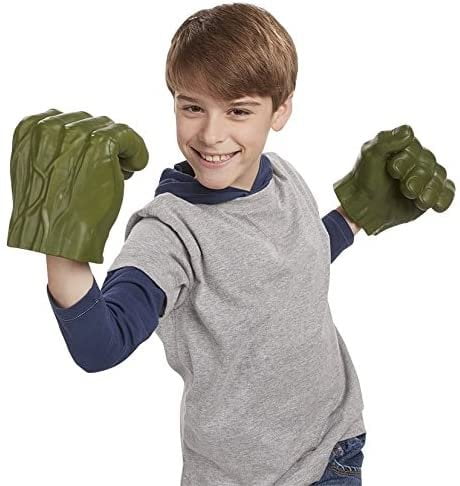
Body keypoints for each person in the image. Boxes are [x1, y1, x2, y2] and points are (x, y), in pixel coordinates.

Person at [8, 3, 454, 485]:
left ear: (280, 110)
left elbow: (289, 262)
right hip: (236, 476)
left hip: (334, 447)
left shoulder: (283, 178)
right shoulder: (170, 232)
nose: (211, 134)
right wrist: (63, 246)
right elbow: (101, 345)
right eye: (192, 107)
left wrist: (353, 217)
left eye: (238, 110)